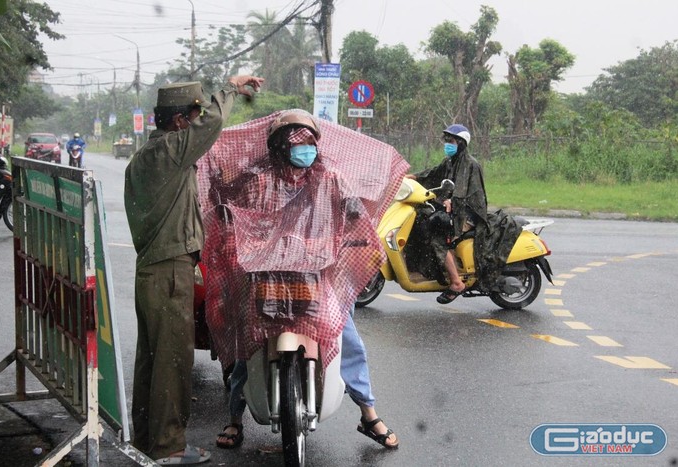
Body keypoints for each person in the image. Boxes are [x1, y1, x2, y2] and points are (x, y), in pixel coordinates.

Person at [207, 110, 399, 450]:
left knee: (347, 339)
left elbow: (354, 214)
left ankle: (368, 414)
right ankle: (235, 417)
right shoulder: (259, 181)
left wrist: (358, 235)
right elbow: (235, 214)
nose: (304, 149)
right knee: (245, 343)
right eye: (296, 143)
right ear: (279, 146)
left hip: (316, 275)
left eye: (309, 142)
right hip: (266, 273)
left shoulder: (331, 179)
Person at [124, 75, 264, 465]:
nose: (198, 123)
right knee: (172, 361)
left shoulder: (143, 158)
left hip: (152, 268)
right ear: (181, 121)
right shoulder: (170, 151)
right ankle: (168, 447)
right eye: (194, 116)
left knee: (152, 360)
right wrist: (231, 88)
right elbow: (214, 123)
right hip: (170, 271)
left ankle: (146, 439)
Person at [405, 124, 488, 303]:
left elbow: (463, 192)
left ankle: (457, 282)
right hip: (454, 209)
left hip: (467, 214)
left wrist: (453, 202)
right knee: (422, 222)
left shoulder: (469, 164)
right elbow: (434, 174)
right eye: (447, 141)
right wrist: (414, 177)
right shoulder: (450, 161)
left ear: (461, 143)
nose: (447, 144)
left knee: (438, 239)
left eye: (451, 141)